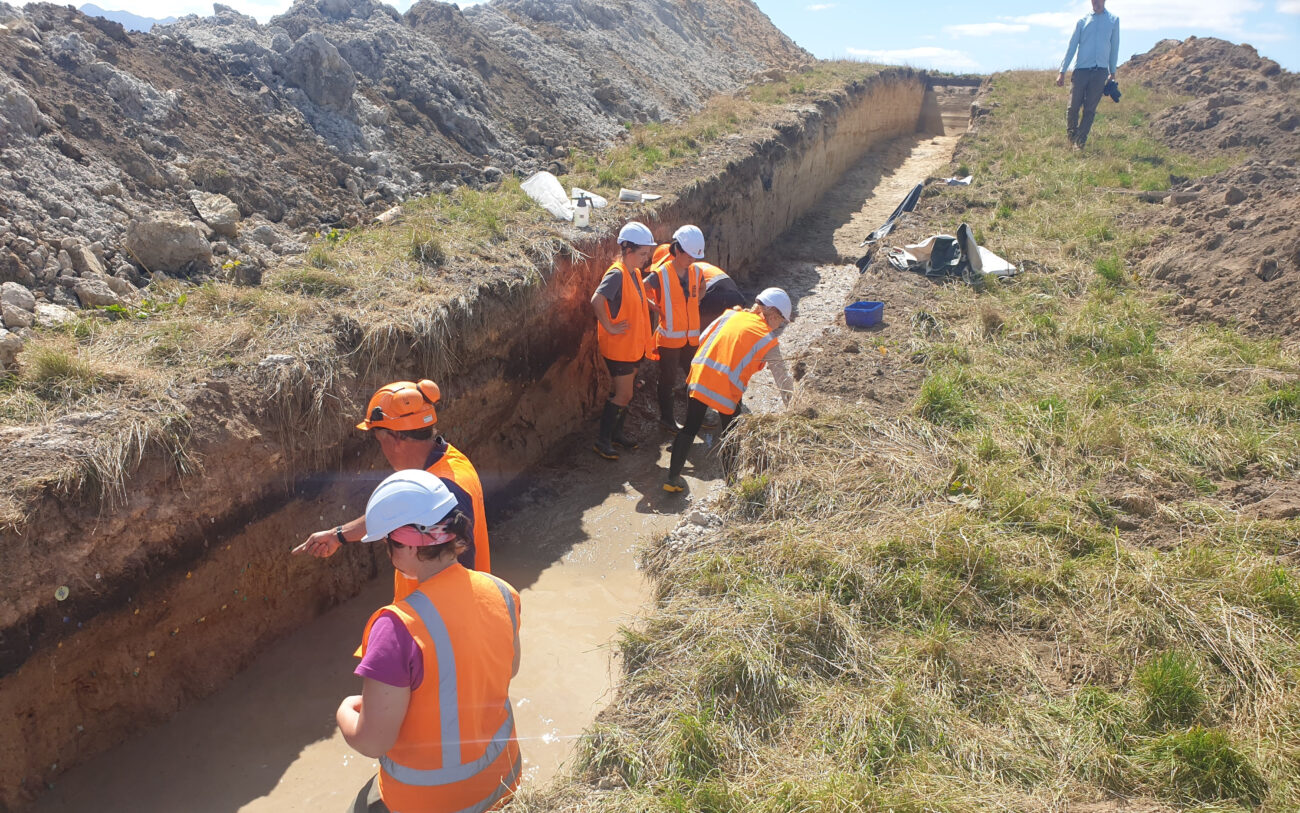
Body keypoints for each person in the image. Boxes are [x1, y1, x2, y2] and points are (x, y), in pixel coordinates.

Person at [338, 469, 521, 813]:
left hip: (435, 804)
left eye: (388, 543)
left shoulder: (396, 628)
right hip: (505, 781)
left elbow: (372, 741)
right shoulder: (502, 592)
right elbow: (506, 671)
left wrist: (344, 713)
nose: (388, 553)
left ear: (407, 543)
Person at [293, 380, 491, 601]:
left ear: (396, 438)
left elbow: (460, 583)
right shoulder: (445, 464)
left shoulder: (447, 491)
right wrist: (338, 535)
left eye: (380, 440)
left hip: (438, 625)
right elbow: (397, 510)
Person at [663, 288, 795, 493]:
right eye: (781, 321)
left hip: (699, 375)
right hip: (726, 388)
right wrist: (795, 408)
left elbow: (703, 338)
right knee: (730, 435)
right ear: (773, 314)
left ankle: (671, 478)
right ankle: (732, 485)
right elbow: (782, 380)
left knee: (690, 426)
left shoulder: (730, 314)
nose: (779, 326)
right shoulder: (767, 339)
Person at [590, 221, 658, 459]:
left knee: (626, 393)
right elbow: (596, 300)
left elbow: (636, 297)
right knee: (624, 395)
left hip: (632, 347)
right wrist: (609, 326)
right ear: (627, 251)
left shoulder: (634, 273)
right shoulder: (616, 274)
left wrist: (651, 305)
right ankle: (603, 441)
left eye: (647, 254)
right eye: (642, 254)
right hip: (619, 348)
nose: (645, 259)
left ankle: (616, 435)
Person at [643, 225, 706, 431]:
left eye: (695, 257)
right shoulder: (661, 274)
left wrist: (696, 301)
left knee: (694, 378)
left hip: (691, 338)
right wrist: (656, 308)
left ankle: (696, 417)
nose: (692, 260)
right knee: (667, 380)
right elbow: (641, 290)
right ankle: (667, 420)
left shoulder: (696, 272)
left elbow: (703, 287)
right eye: (689, 256)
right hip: (669, 339)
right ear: (677, 250)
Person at [1055, 0, 1120, 150]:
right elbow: (1071, 47)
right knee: (1073, 107)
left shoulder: (1113, 20)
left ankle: (1080, 142)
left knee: (1090, 109)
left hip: (1100, 72)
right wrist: (1062, 72)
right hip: (1081, 71)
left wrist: (1112, 72)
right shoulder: (1082, 22)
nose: (1095, 2)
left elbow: (1114, 47)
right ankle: (1071, 138)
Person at [696, 262, 745, 332]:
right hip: (735, 294)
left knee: (704, 334)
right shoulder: (696, 265)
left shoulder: (681, 272)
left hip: (714, 294)